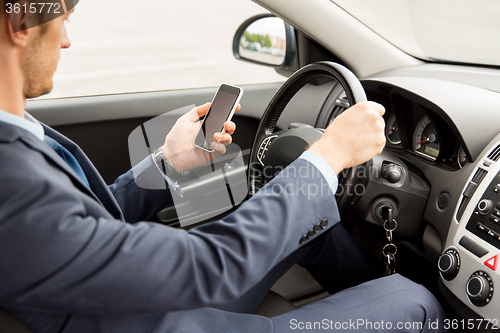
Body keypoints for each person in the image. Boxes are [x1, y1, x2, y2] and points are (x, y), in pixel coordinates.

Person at [0, 2, 448, 332]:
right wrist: (325, 159)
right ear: (21, 21)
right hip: (150, 320)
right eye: (64, 16)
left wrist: (170, 165)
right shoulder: (10, 180)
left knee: (312, 224)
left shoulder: (17, 131)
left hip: (129, 303)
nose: (65, 39)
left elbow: (79, 232)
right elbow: (208, 265)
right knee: (417, 299)